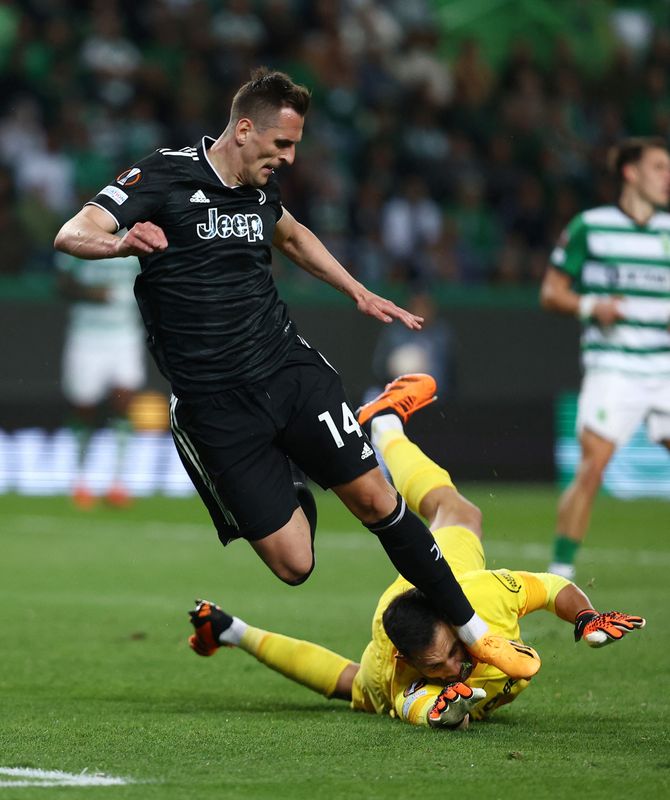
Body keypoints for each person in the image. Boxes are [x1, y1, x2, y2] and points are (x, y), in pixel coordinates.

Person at [53, 67, 536, 679]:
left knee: (377, 502)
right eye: (281, 145)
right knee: (293, 566)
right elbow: (73, 233)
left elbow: (294, 235)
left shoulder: (259, 191)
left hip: (289, 372)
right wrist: (120, 245)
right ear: (245, 129)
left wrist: (358, 291)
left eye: (295, 147)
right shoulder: (164, 174)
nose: (287, 158)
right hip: (216, 407)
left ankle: (476, 632)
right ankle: (290, 476)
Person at [187, 374, 645, 730]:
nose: (453, 667)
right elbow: (439, 714)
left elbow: (551, 588)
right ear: (409, 664)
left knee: (460, 513)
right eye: (437, 666)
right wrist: (444, 712)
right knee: (351, 685)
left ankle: (383, 426)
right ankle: (231, 631)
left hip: (435, 580)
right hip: (397, 633)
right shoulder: (399, 680)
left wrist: (586, 616)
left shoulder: (481, 596)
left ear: (451, 617)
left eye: (449, 653)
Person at [540, 137, 670, 579]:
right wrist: (593, 306)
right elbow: (551, 292)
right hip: (615, 365)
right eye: (659, 167)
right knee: (593, 466)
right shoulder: (591, 227)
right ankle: (561, 573)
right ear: (630, 173)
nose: (667, 177)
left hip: (665, 364)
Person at [57, 248, 145, 508]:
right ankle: (80, 478)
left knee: (124, 403)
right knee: (85, 409)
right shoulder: (81, 238)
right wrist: (89, 293)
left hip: (125, 335)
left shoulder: (137, 237)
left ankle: (118, 481)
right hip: (87, 335)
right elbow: (61, 284)